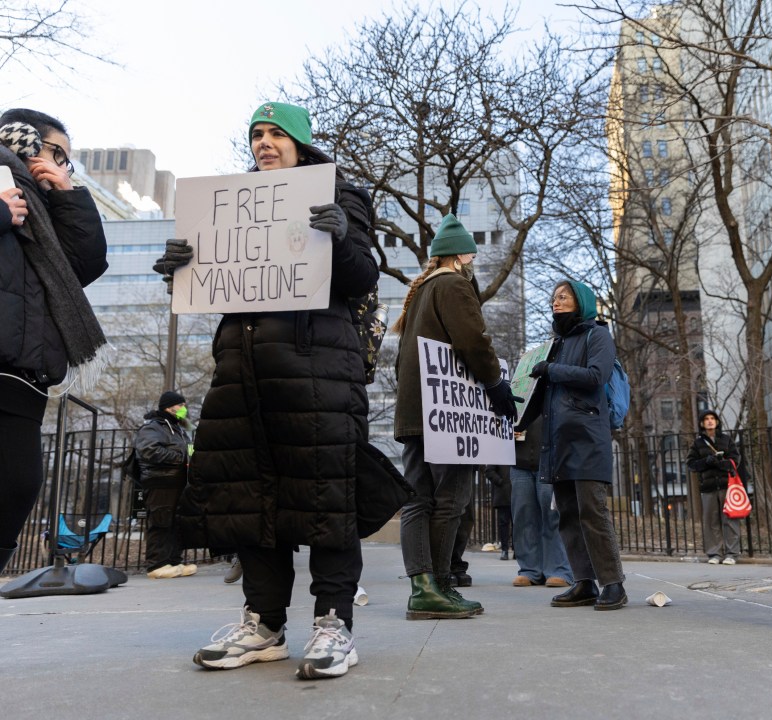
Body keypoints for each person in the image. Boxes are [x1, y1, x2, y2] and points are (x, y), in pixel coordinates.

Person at [158, 101, 379, 679]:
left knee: (328, 496)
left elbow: (362, 278)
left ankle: (333, 623)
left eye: (276, 133)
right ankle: (263, 623)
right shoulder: (225, 207)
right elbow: (213, 288)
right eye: (256, 134)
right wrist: (179, 268)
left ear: (301, 144)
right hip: (244, 371)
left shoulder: (338, 192)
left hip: (318, 370)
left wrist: (341, 237)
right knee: (249, 497)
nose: (263, 142)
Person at [392, 212, 519, 620]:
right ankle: (441, 584)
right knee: (451, 498)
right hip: (447, 413)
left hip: (415, 412)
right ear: (464, 255)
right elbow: (473, 341)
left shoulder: (420, 294)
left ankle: (422, 587)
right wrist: (496, 384)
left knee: (418, 499)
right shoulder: (453, 285)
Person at [0, 109, 108, 575]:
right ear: (25, 143)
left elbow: (83, 265)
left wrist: (68, 195)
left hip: (26, 369)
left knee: (17, 486)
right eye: (57, 154)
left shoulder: (43, 212)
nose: (65, 166)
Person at [524, 280, 627, 611]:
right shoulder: (556, 344)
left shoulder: (598, 335)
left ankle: (613, 583)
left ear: (581, 301)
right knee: (567, 515)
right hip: (558, 444)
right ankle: (584, 583)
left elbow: (597, 375)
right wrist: (515, 416)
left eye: (564, 296)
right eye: (554, 297)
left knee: (592, 512)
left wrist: (552, 369)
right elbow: (539, 396)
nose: (556, 301)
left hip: (587, 439)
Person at [135, 390, 196, 579]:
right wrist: (181, 458)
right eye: (181, 405)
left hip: (178, 482)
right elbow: (149, 450)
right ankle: (157, 564)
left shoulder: (179, 429)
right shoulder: (153, 427)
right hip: (160, 482)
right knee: (160, 520)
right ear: (169, 407)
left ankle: (174, 561)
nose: (184, 409)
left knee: (175, 522)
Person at [509, 416, 572, 588]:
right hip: (518, 460)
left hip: (551, 460)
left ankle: (559, 570)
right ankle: (529, 570)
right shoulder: (515, 389)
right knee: (522, 517)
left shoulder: (557, 389)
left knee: (553, 516)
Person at [686, 410, 742, 565]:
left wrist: (720, 463)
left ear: (717, 422)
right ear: (702, 423)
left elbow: (735, 460)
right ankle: (714, 554)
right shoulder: (697, 444)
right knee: (711, 522)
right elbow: (691, 464)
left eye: (712, 418)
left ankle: (732, 553)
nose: (710, 421)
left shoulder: (726, 439)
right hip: (708, 487)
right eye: (706, 419)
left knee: (730, 520)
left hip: (726, 486)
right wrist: (706, 462)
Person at [485, 465, 512, 560]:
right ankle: (505, 550)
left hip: (517, 493)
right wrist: (500, 481)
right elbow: (489, 471)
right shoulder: (500, 452)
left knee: (518, 524)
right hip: (503, 494)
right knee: (503, 523)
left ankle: (517, 550)